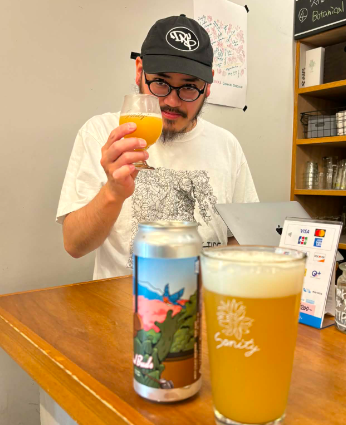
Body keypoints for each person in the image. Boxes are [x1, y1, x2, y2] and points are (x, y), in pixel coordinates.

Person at [56, 15, 258, 281]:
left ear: (208, 86)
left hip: (201, 301)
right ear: (139, 71)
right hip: (122, 303)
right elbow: (74, 245)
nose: (172, 101)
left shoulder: (227, 145)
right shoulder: (101, 133)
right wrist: (113, 193)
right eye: (161, 83)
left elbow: (241, 238)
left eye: (189, 87)